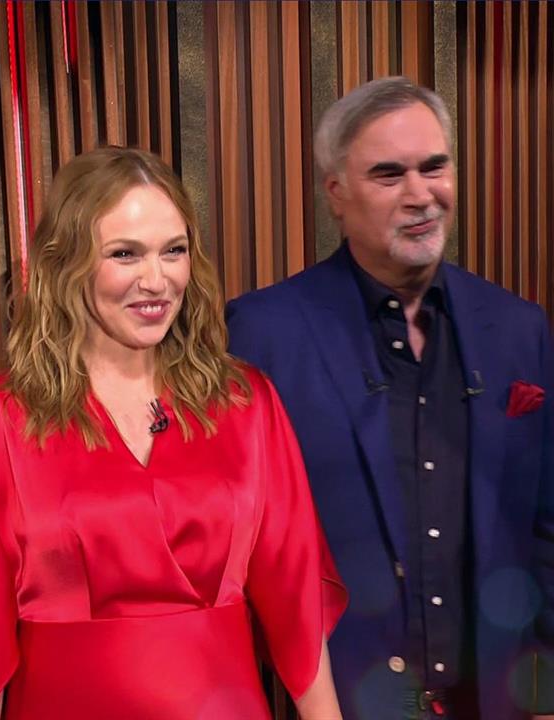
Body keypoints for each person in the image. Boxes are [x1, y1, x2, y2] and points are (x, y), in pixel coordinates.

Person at [0, 146, 347, 720]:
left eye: (174, 251)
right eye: (125, 254)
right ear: (66, 263)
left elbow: (298, 607)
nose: (156, 280)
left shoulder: (246, 403)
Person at [227, 76, 554, 720]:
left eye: (434, 167)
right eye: (388, 174)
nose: (420, 194)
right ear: (336, 194)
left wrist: (543, 696)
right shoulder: (264, 333)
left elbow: (547, 530)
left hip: (495, 701)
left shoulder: (521, 327)